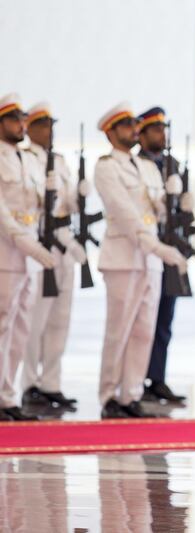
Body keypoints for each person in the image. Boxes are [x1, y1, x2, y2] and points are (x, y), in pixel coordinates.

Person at [94, 102, 188, 419]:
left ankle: (131, 394)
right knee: (118, 330)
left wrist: (175, 197)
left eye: (134, 124)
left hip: (150, 262)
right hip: (123, 258)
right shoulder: (106, 167)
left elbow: (158, 211)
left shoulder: (148, 167)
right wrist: (159, 248)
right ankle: (110, 397)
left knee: (143, 331)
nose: (133, 130)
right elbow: (126, 215)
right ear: (110, 132)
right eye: (125, 126)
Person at [21, 102, 86, 411]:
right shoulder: (26, 159)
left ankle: (51, 383)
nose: (49, 131)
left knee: (60, 319)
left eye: (51, 125)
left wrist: (80, 195)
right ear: (29, 128)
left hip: (64, 245)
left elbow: (69, 204)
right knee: (36, 321)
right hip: (41, 245)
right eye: (42, 125)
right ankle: (30, 383)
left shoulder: (59, 162)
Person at [0, 93, 52, 421]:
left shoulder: (31, 159)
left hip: (30, 255)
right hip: (6, 251)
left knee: (20, 328)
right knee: (2, 324)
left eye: (23, 119)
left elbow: (40, 206)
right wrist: (20, 238)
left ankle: (8, 396)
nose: (22, 125)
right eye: (15, 119)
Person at [135, 106, 189, 406]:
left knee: (164, 319)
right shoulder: (136, 164)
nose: (161, 134)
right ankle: (136, 378)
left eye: (163, 129)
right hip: (145, 246)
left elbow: (181, 210)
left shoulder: (173, 164)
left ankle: (157, 377)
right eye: (154, 129)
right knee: (141, 320)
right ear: (141, 134)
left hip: (171, 247)